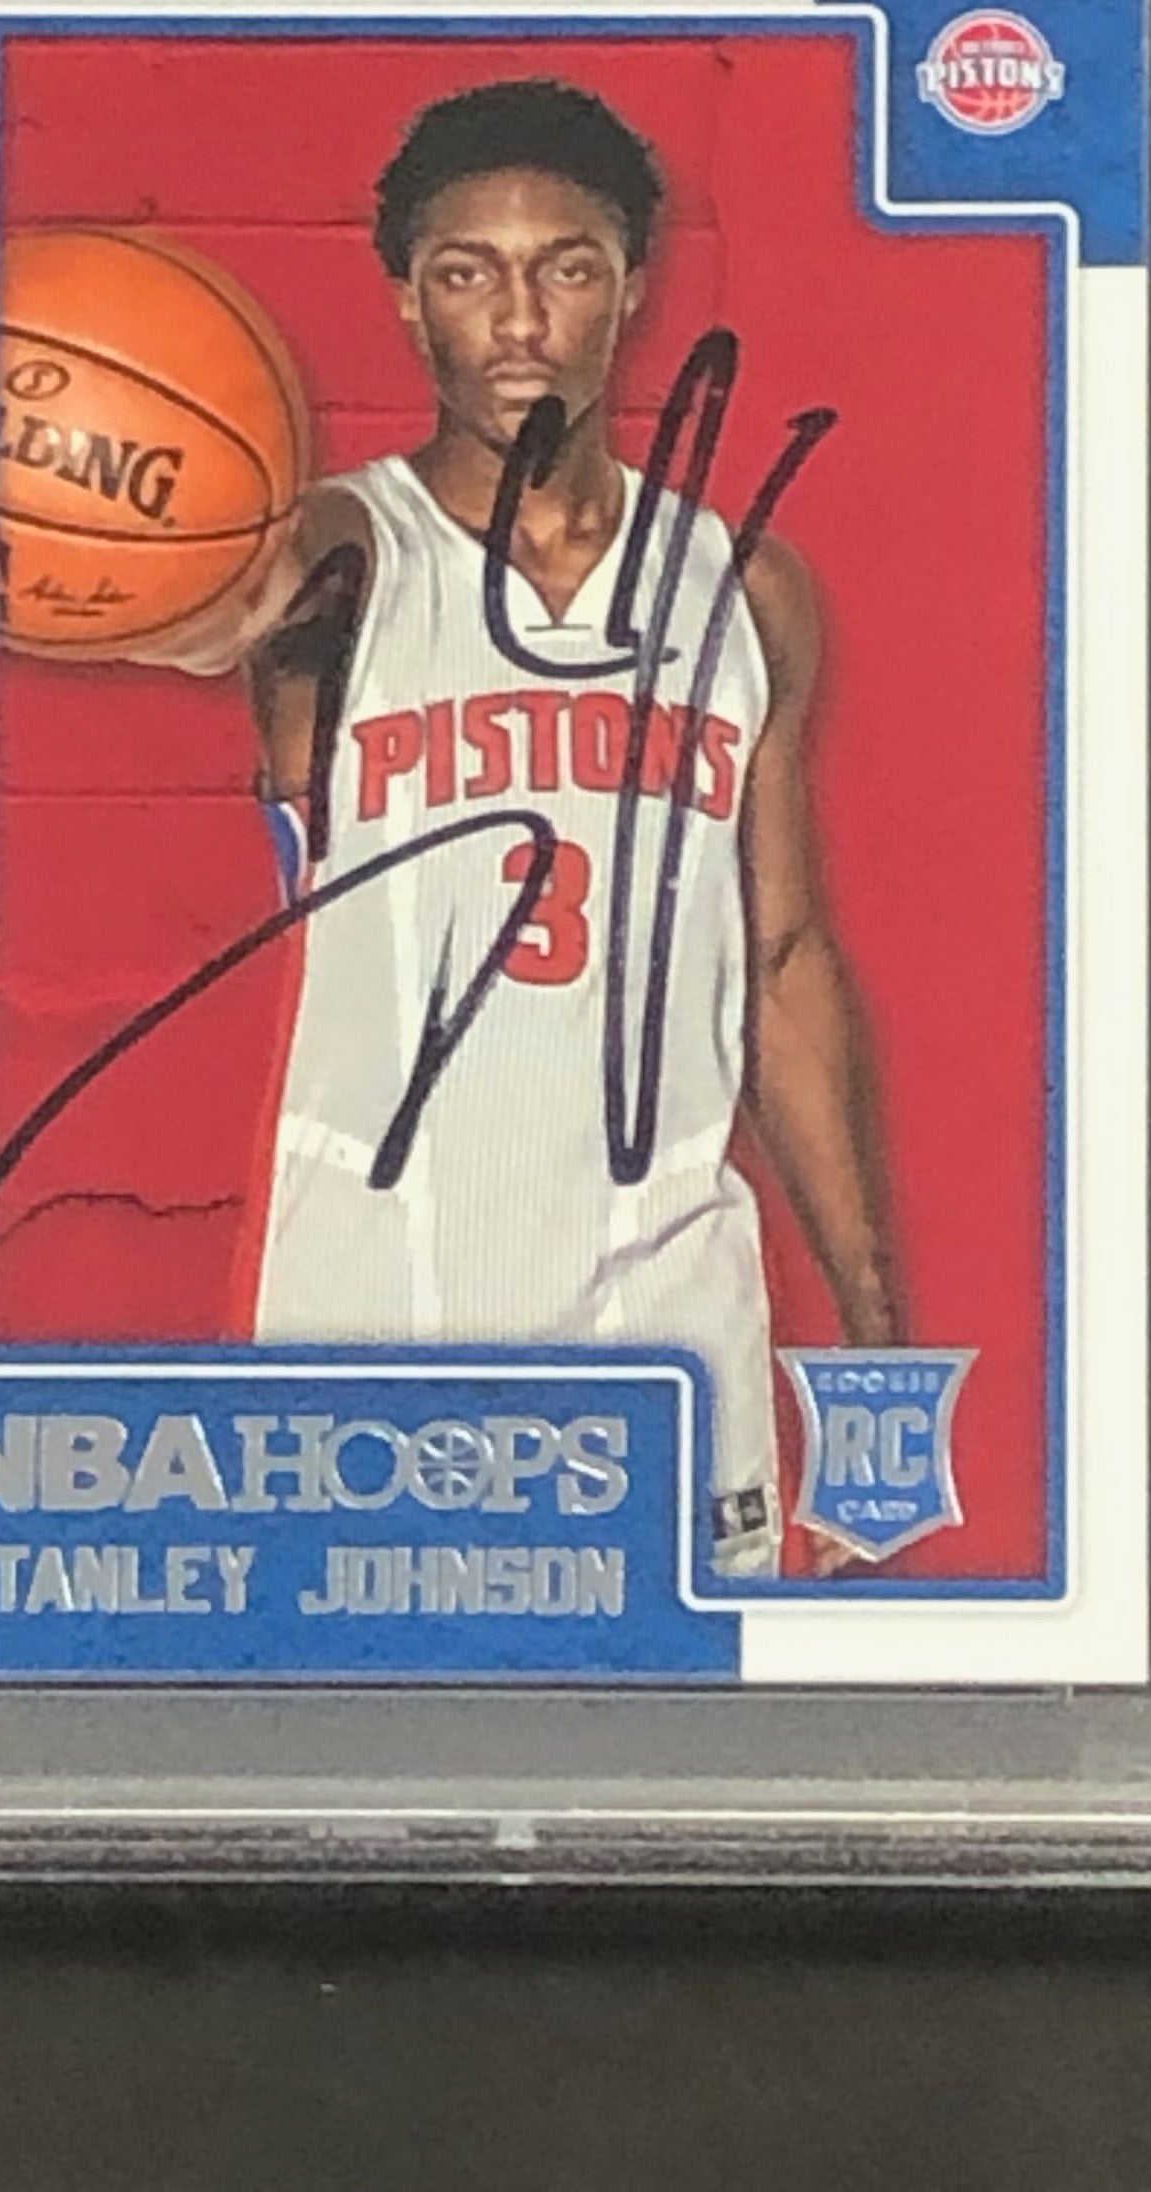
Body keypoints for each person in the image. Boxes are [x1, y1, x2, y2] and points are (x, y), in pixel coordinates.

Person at [154, 78, 901, 1576]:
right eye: (464, 273)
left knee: (686, 1723)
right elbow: (212, 608)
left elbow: (782, 963)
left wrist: (874, 1334)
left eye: (564, 268)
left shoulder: (748, 590)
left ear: (630, 287)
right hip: (375, 1311)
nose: (516, 320)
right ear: (404, 299)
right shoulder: (342, 551)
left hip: (672, 1331)